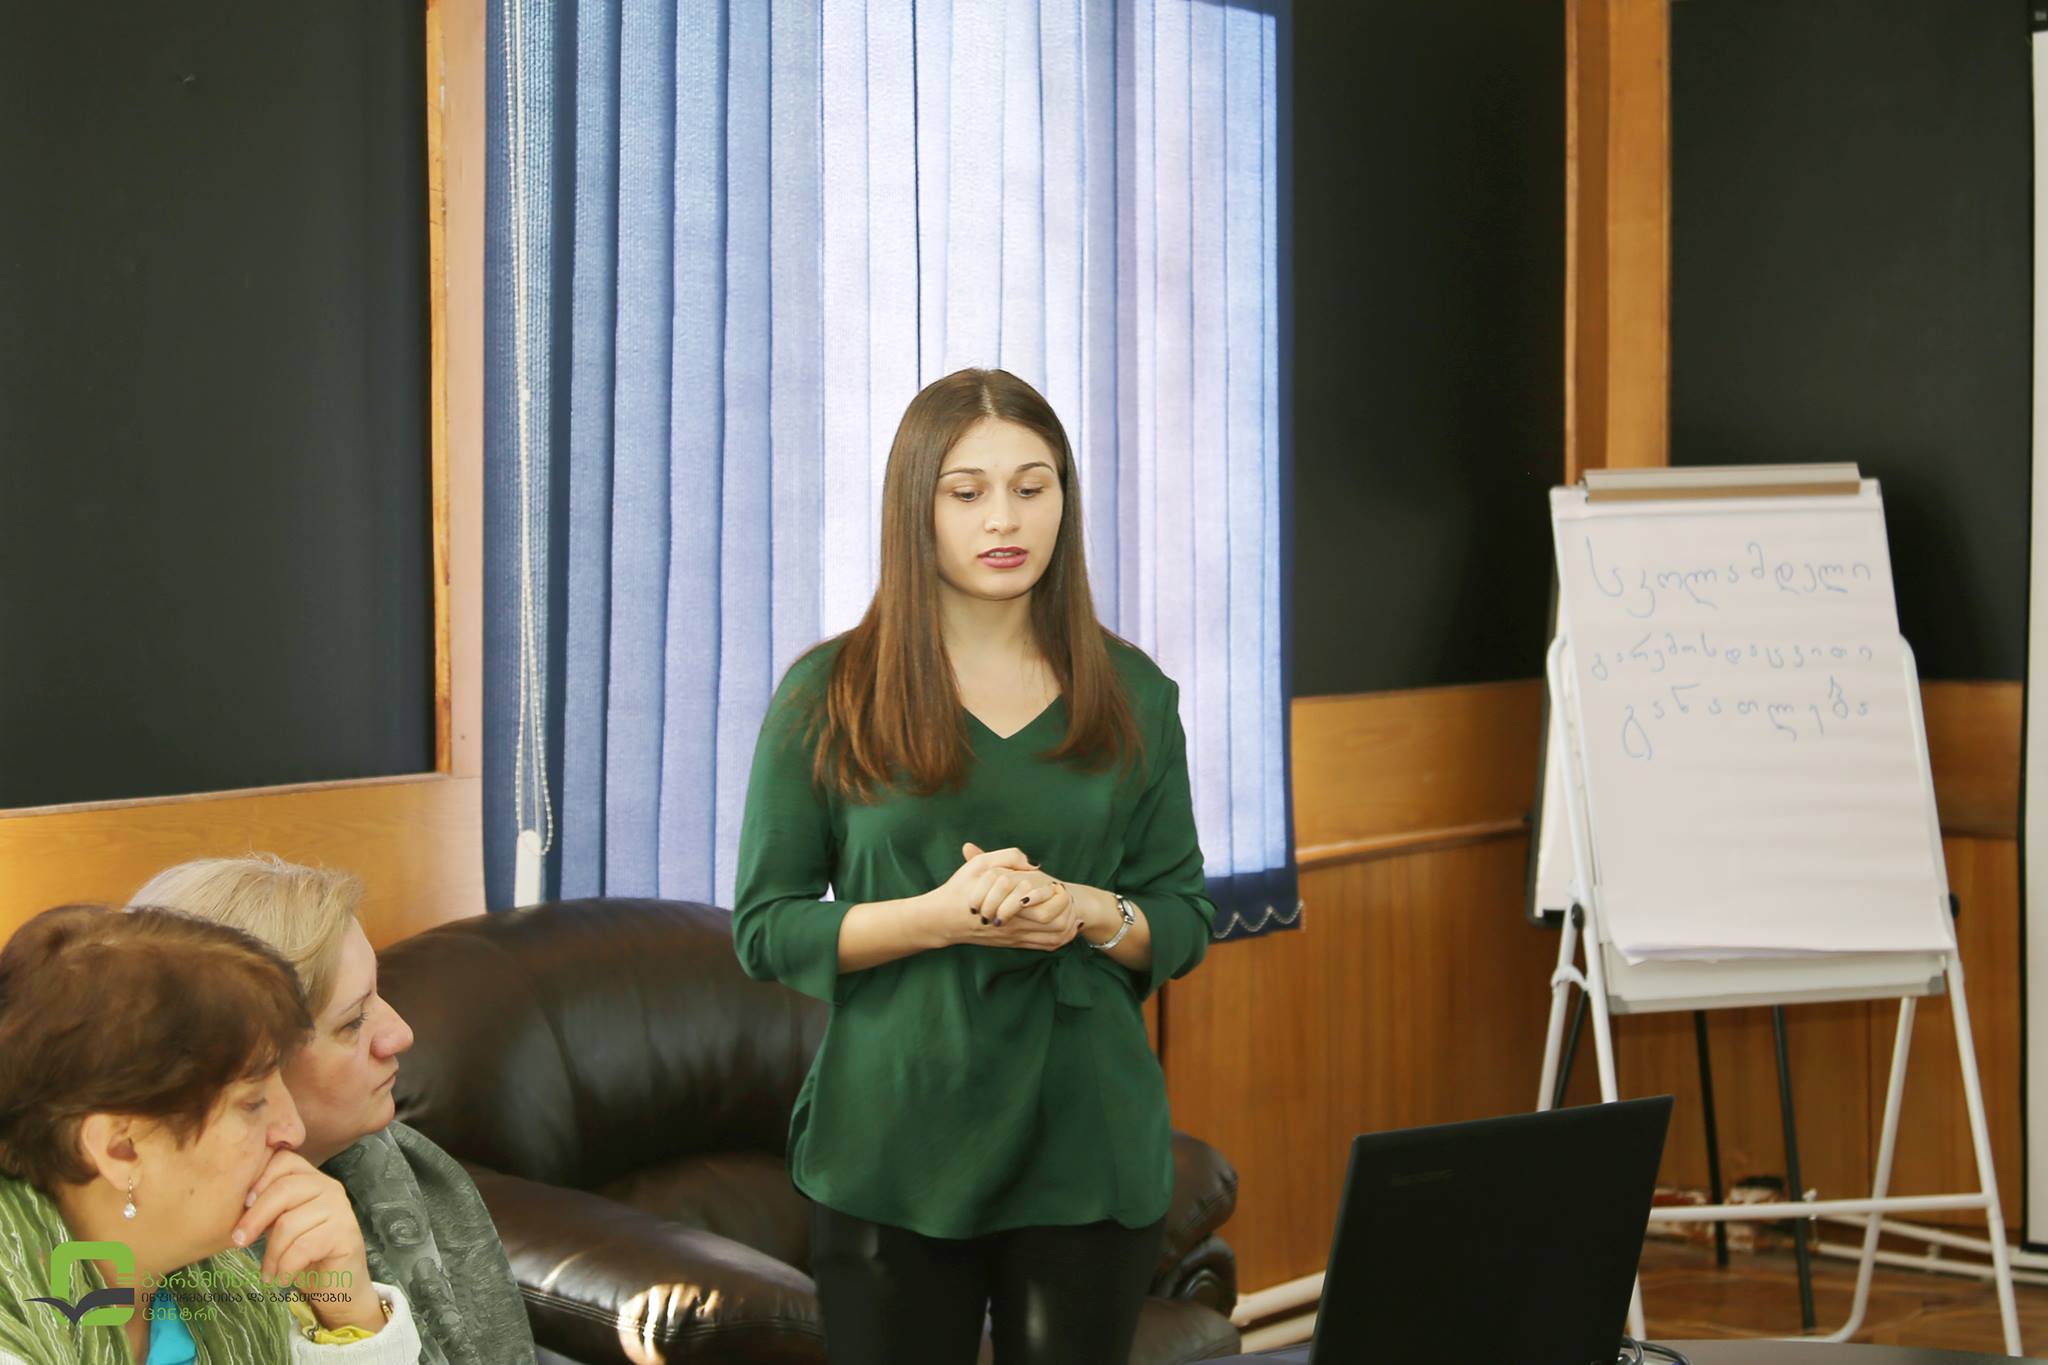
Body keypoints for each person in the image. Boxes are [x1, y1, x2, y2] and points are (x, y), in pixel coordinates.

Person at [732, 367, 1218, 1365]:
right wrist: (939, 917)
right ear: (918, 506)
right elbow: (766, 926)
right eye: (967, 491)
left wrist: (1086, 909)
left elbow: (1181, 916)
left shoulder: (1135, 693)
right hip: (894, 1138)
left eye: (1032, 487)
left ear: (1063, 500)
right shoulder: (829, 693)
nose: (1005, 518)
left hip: (1086, 1136)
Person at [128, 855, 537, 1365]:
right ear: (244, 1064)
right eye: (352, 1021)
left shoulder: (405, 1170)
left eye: (378, 994)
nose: (400, 1034)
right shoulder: (131, 1260)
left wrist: (353, 1316)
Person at [0, 903, 424, 1363]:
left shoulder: (213, 1291)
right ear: (120, 1147)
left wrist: (347, 1314)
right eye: (252, 1103)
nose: (293, 1130)